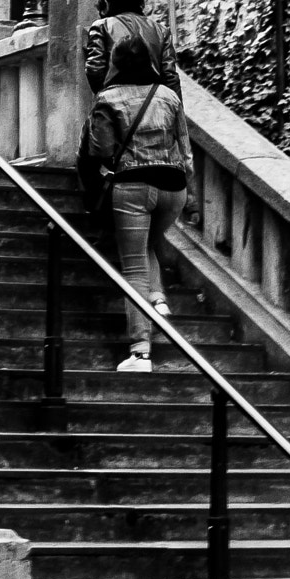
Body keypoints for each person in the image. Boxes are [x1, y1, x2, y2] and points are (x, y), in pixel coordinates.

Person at [87, 33, 193, 373]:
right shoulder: (168, 96)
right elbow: (185, 150)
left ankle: (141, 352)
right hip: (174, 187)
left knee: (132, 266)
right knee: (148, 241)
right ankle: (159, 299)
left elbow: (99, 151)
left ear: (116, 63)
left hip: (133, 185)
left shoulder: (108, 98)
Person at [84, 0, 178, 93]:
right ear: (141, 3)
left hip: (118, 104)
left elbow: (94, 69)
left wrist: (105, 97)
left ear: (106, 4)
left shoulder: (101, 26)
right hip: (153, 103)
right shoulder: (162, 31)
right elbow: (170, 77)